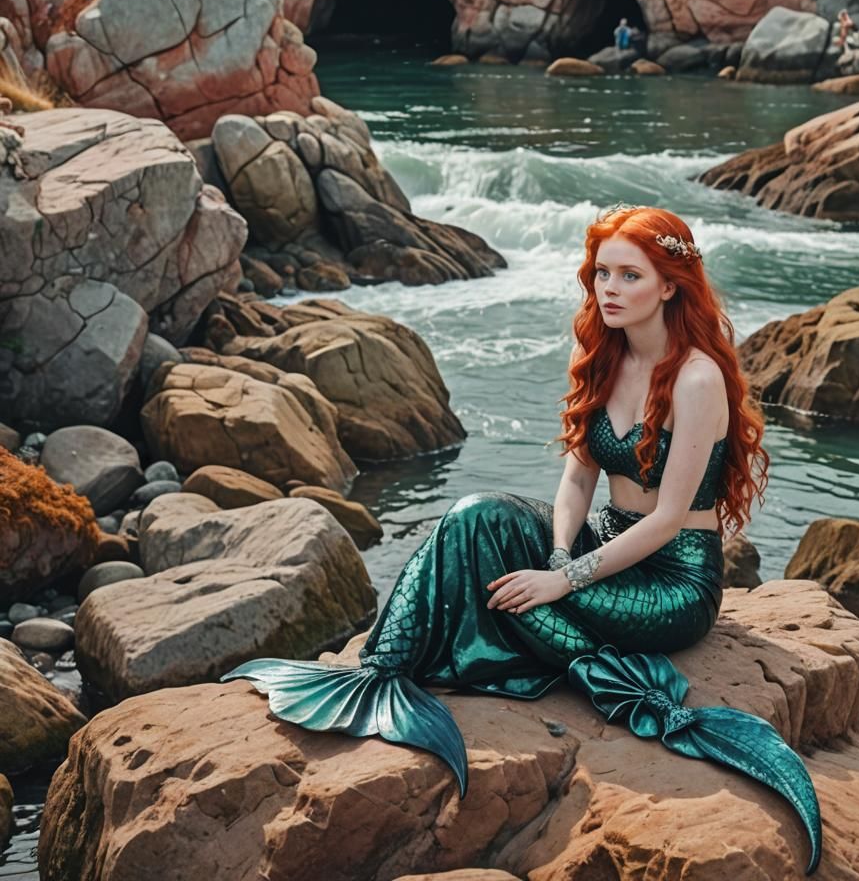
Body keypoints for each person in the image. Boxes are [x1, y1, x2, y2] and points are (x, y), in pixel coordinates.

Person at [224, 205, 822, 873]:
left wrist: (560, 579)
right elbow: (575, 483)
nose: (610, 289)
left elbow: (663, 520)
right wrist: (561, 554)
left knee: (521, 593)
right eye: (602, 273)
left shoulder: (697, 378)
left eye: (630, 274)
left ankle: (547, 671)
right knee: (477, 519)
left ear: (671, 284)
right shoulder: (602, 352)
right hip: (603, 544)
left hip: (672, 580)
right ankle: (379, 674)